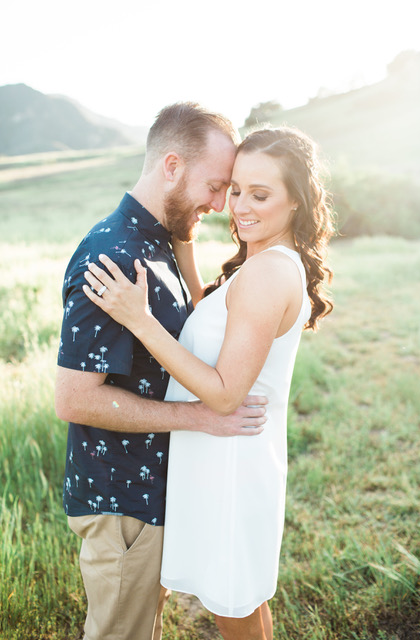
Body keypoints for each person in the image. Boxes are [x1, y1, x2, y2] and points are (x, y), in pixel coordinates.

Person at [82, 125, 334, 640]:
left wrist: (139, 318)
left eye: (260, 195)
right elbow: (213, 326)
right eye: (235, 188)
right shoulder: (265, 264)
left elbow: (222, 392)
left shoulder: (268, 273)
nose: (238, 205)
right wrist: (185, 245)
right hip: (231, 453)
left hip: (231, 460)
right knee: (243, 598)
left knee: (233, 607)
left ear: (296, 203)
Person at [54, 102, 268, 640]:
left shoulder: (158, 240)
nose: (221, 205)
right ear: (171, 166)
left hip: (151, 493)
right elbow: (75, 399)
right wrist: (202, 418)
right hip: (122, 500)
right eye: (216, 186)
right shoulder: (115, 256)